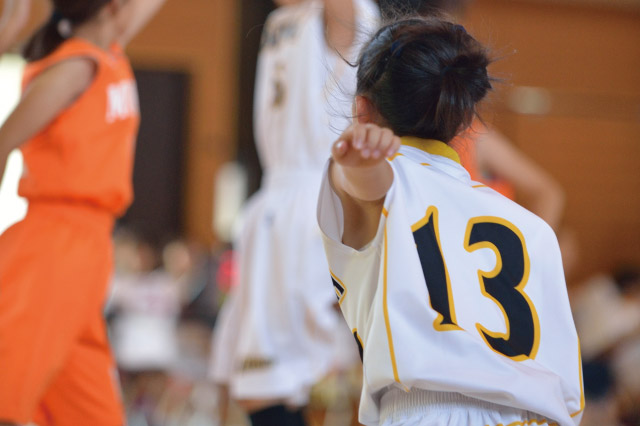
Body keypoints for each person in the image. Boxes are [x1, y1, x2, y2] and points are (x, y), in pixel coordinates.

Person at [317, 17, 584, 426]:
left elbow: (370, 187)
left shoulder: (382, 186)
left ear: (362, 111)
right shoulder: (534, 230)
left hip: (424, 412)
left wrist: (356, 163)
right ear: (464, 120)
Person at [208, 0, 378, 425]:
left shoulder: (342, 12)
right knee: (257, 383)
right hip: (283, 203)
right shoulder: (283, 20)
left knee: (302, 382)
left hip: (318, 201)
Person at [0, 1, 166, 425]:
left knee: (94, 416)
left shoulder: (107, 50)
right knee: (7, 400)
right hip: (51, 245)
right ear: (112, 8)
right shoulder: (74, 68)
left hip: (87, 249)